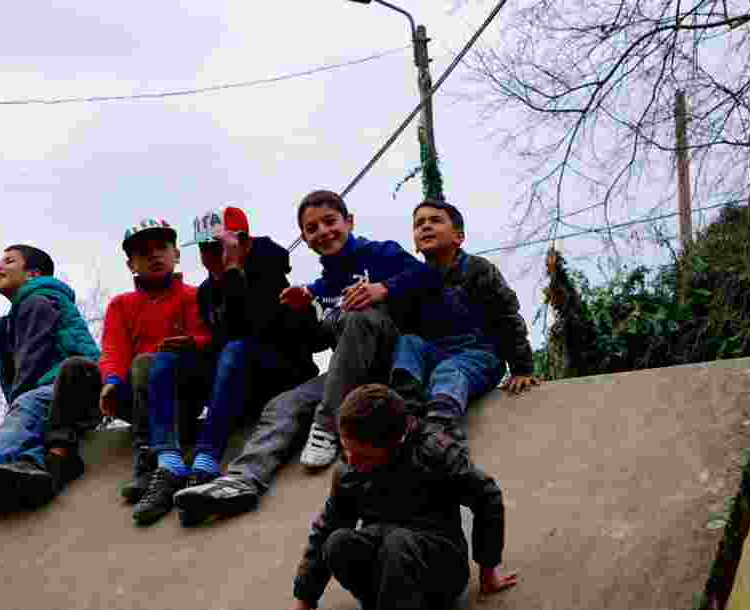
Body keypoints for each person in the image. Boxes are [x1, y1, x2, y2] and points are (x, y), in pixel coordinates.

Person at [285, 384, 518, 610]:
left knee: (398, 543)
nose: (351, 461)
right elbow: (326, 527)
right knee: (337, 542)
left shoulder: (433, 452)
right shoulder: (350, 470)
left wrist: (488, 569)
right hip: (386, 561)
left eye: (362, 455)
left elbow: (487, 496)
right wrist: (302, 603)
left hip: (439, 566)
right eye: (347, 450)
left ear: (396, 441)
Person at [165, 206, 320, 525]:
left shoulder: (270, 272)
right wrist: (196, 348)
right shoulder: (208, 292)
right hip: (240, 382)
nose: (210, 256)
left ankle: (207, 454)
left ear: (243, 243)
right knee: (169, 362)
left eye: (218, 246)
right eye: (205, 248)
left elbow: (255, 330)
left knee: (236, 349)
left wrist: (235, 272)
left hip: (283, 374)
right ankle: (164, 460)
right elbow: (222, 341)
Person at [279, 189, 441, 469]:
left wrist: (384, 288)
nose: (323, 231)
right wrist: (304, 308)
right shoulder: (321, 288)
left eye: (330, 221)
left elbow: (427, 275)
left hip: (392, 361)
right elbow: (317, 340)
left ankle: (326, 427)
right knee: (283, 404)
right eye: (312, 228)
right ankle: (240, 476)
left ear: (349, 222)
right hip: (351, 375)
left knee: (357, 315)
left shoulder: (379, 252)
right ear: (304, 238)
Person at [0, 244, 101, 512]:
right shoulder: (13, 318)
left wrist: (13, 416)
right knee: (29, 404)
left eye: (9, 261)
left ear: (32, 275)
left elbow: (32, 363)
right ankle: (22, 474)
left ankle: (1, 466)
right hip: (49, 393)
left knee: (29, 402)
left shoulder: (39, 301)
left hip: (75, 387)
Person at [98, 218, 214, 525]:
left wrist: (191, 344)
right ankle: (57, 456)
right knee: (75, 370)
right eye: (143, 252)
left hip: (182, 392)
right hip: (137, 396)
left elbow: (209, 338)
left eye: (161, 248)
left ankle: (148, 460)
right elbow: (113, 351)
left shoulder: (195, 295)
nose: (154, 256)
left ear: (176, 254)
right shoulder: (121, 305)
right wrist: (110, 382)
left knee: (147, 362)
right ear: (130, 264)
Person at [390, 199, 538, 437]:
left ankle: (441, 425)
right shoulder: (412, 279)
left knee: (449, 371)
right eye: (419, 224)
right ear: (416, 244)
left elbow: (507, 318)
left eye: (435, 220)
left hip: (481, 355)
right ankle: (407, 410)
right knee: (408, 342)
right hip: (437, 354)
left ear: (458, 237)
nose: (426, 226)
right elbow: (404, 326)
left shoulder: (478, 270)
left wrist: (521, 368)